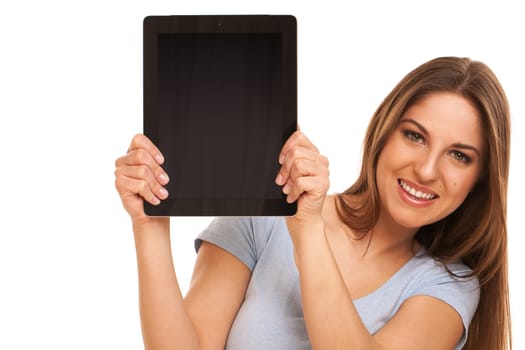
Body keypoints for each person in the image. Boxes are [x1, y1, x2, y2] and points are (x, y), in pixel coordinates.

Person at [114, 56, 511, 350]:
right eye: (415, 136)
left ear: (479, 179)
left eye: (459, 155)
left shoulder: (447, 286)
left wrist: (307, 231)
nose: (426, 170)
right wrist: (148, 224)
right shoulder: (261, 218)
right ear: (384, 133)